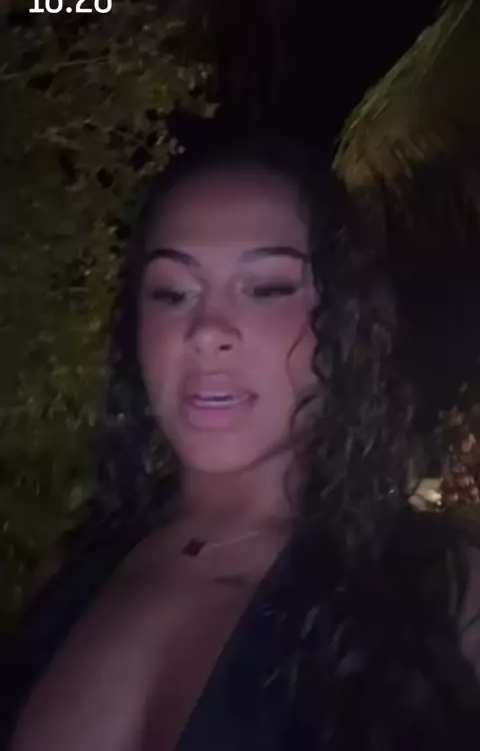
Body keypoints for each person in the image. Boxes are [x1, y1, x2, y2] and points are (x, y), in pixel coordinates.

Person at [3, 130, 480, 750]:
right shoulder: (70, 569)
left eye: (266, 289)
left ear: (343, 321)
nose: (206, 331)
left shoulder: (446, 594)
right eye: (173, 293)